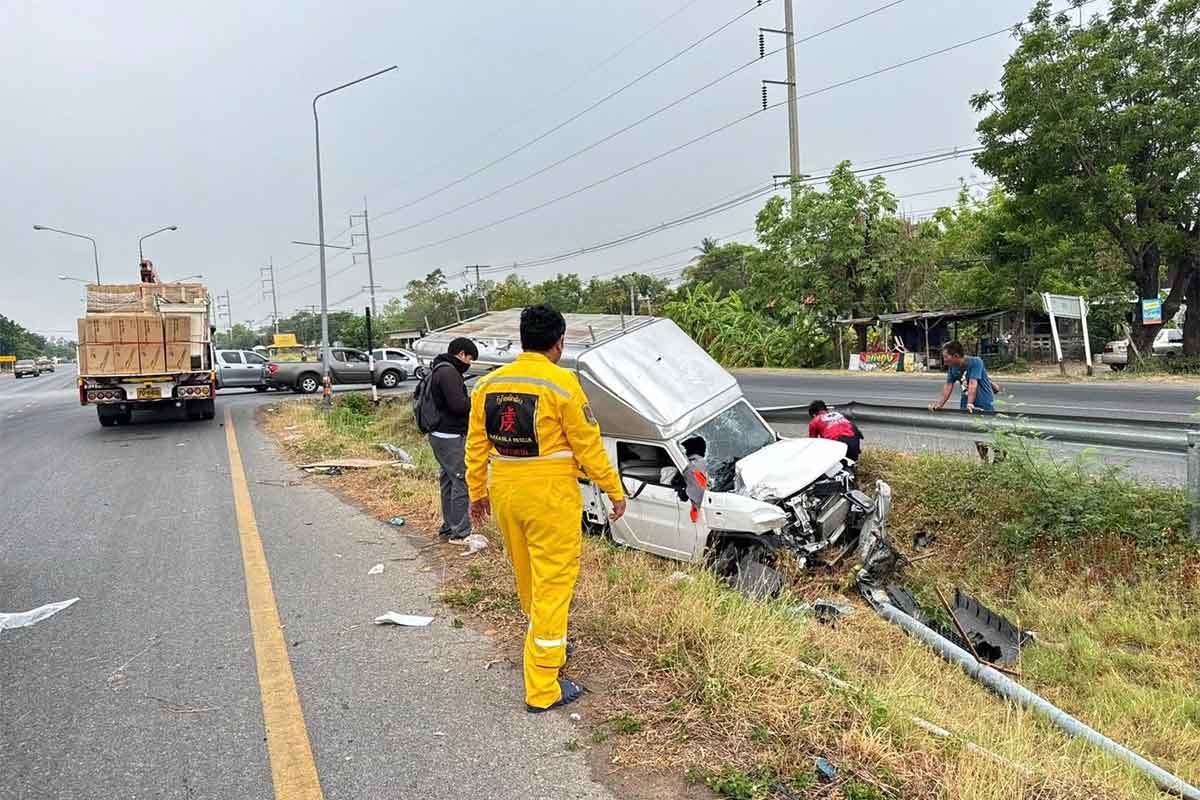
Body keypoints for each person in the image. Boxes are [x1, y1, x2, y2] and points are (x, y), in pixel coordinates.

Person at [466, 305, 626, 713]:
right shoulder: (562, 384)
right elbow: (588, 445)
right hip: (550, 496)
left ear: (523, 339)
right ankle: (543, 687)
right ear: (559, 342)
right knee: (554, 586)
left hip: (506, 492)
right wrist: (613, 489)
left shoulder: (489, 384)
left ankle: (545, 640)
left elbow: (476, 445)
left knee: (530, 581)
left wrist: (475, 492)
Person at [428, 337, 479, 541]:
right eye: (470, 359)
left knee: (449, 480)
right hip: (449, 436)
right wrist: (474, 399)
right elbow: (458, 406)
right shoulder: (449, 372)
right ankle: (460, 532)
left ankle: (449, 526)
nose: (470, 364)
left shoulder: (439, 368)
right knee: (461, 480)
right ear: (461, 354)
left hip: (439, 434)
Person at [928, 341, 1001, 414]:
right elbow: (948, 385)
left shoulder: (976, 362)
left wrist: (970, 403)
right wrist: (940, 404)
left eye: (946, 357)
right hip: (965, 404)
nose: (944, 360)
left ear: (956, 356)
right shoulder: (952, 367)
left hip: (983, 404)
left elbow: (973, 383)